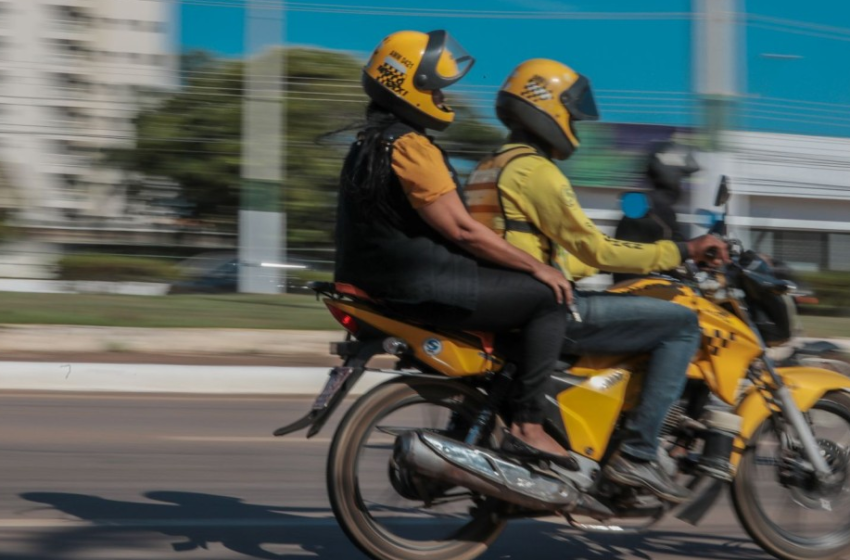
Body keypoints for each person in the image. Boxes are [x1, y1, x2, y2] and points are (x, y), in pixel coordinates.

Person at [464, 58, 729, 503]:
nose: (574, 125)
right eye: (569, 113)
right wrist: (686, 251)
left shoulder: (488, 165)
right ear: (545, 108)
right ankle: (640, 455)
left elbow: (543, 249)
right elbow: (595, 248)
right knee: (680, 323)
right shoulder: (536, 172)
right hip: (541, 306)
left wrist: (601, 264)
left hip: (504, 296)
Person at [333, 31, 574, 463]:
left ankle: (485, 413)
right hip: (424, 286)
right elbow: (463, 231)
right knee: (546, 299)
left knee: (517, 291)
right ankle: (528, 423)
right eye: (437, 87)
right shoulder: (411, 147)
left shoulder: (365, 144)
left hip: (383, 282)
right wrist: (539, 268)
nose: (445, 97)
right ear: (410, 88)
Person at [613, 141, 700, 283]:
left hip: (633, 289)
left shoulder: (646, 206)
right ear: (670, 175)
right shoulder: (659, 210)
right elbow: (677, 253)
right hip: (641, 294)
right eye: (681, 178)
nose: (681, 186)